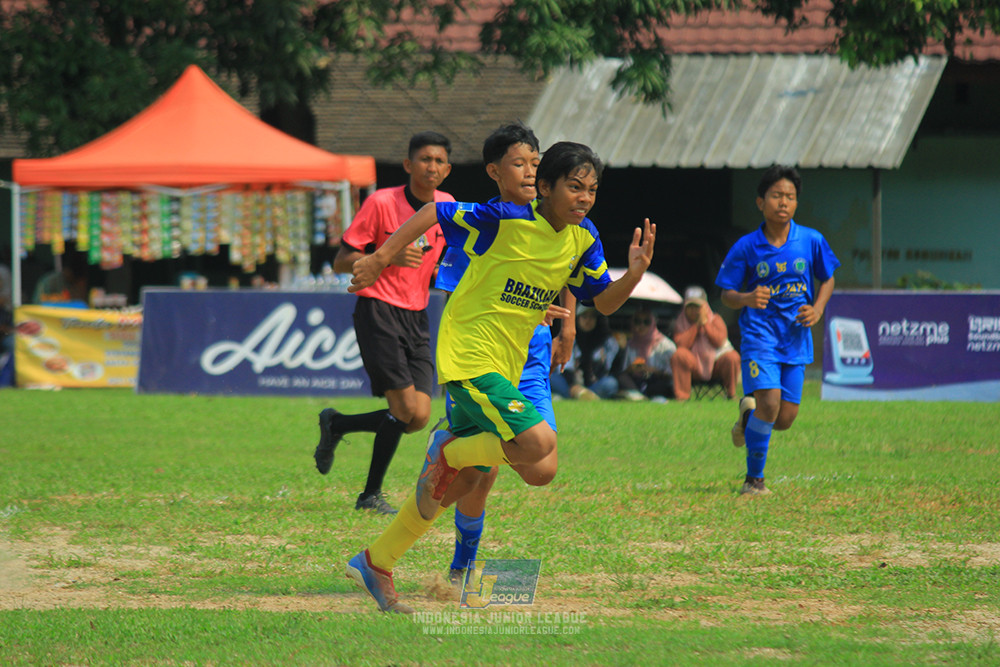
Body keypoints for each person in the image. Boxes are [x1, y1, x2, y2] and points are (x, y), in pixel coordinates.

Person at [345, 141, 656, 613]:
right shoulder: (503, 218)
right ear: (545, 188)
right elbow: (433, 212)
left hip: (507, 364)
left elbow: (604, 301)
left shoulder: (583, 237)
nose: (585, 198)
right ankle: (447, 449)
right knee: (536, 445)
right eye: (574, 188)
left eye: (592, 190)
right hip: (469, 358)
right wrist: (381, 257)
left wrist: (632, 275)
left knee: (465, 480)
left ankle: (377, 559)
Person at [433, 121, 577, 586]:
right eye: (522, 163)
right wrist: (515, 306)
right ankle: (463, 563)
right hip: (487, 357)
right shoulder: (486, 224)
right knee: (480, 473)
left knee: (542, 467)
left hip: (532, 356)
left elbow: (570, 268)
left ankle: (451, 448)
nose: (533, 171)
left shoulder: (556, 216)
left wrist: (566, 322)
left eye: (537, 163)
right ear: (496, 172)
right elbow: (468, 295)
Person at [312, 131, 454, 515]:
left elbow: (451, 262)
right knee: (405, 409)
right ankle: (369, 495)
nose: (433, 167)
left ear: (449, 169)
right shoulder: (380, 203)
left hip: (418, 314)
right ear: (408, 165)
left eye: (440, 161)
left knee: (418, 416)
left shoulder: (449, 207)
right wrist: (386, 256)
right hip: (378, 309)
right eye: (425, 159)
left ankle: (338, 425)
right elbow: (342, 261)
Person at [716, 165, 839, 496]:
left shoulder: (811, 240)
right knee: (769, 405)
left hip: (795, 338)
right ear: (760, 202)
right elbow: (726, 293)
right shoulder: (746, 246)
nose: (783, 202)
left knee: (784, 418)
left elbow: (827, 277)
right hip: (759, 336)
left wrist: (818, 308)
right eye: (776, 196)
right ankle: (754, 481)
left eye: (790, 196)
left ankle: (747, 419)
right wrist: (746, 297)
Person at [670, 285, 740, 400]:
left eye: (697, 307)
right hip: (694, 367)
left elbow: (719, 342)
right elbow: (681, 344)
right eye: (690, 307)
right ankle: (682, 396)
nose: (694, 311)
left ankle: (731, 394)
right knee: (679, 355)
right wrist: (696, 326)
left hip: (715, 364)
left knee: (732, 357)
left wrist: (706, 325)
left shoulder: (716, 319)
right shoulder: (680, 323)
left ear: (705, 306)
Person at [550, 306, 622, 400]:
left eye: (592, 317)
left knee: (611, 383)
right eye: (584, 317)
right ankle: (578, 397)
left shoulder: (606, 340)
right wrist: (574, 386)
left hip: (594, 386)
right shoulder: (570, 338)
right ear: (577, 318)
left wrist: (622, 349)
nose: (588, 320)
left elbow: (612, 368)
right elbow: (565, 368)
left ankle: (585, 397)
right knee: (550, 378)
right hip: (570, 385)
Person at [617, 306, 676, 402]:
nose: (641, 326)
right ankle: (639, 397)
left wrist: (653, 370)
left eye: (646, 322)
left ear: (653, 323)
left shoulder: (666, 345)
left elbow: (672, 374)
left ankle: (638, 397)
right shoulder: (630, 344)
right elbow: (623, 371)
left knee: (662, 384)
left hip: (656, 382)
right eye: (637, 321)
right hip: (636, 381)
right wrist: (632, 369)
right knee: (621, 378)